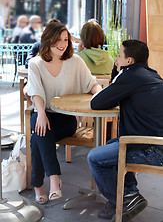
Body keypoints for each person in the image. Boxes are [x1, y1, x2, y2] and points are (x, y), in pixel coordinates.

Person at [27, 19, 102, 205]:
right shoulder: (36, 63)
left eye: (65, 40)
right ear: (47, 40)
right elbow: (35, 91)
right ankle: (53, 179)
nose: (62, 44)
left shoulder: (75, 61)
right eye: (57, 40)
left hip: (66, 120)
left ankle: (39, 184)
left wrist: (100, 95)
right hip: (43, 114)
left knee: (38, 135)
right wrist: (42, 113)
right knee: (39, 124)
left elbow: (91, 83)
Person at [87, 40, 163, 221]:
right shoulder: (151, 74)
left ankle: (124, 199)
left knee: (95, 158)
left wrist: (118, 73)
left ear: (129, 61)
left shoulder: (131, 76)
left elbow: (97, 102)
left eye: (119, 56)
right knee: (112, 145)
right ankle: (127, 194)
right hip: (154, 143)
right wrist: (117, 71)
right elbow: (116, 88)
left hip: (150, 149)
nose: (116, 59)